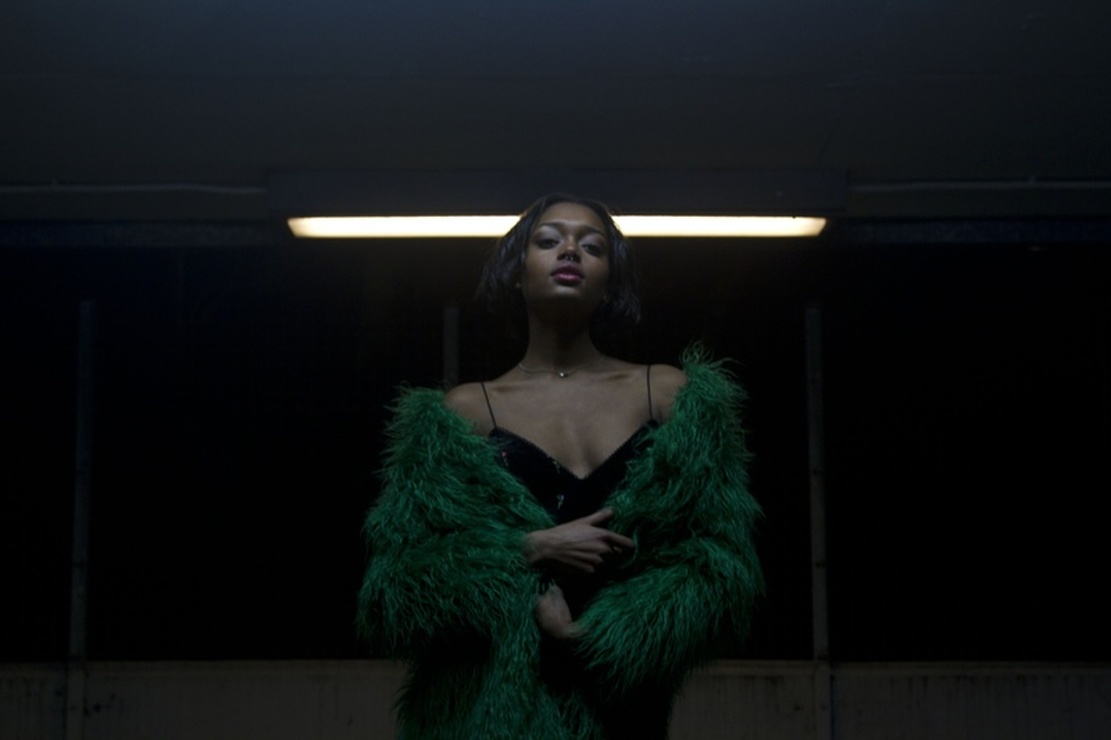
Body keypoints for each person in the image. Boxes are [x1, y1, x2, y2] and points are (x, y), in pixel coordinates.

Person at [357, 194, 762, 739]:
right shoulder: (463, 414)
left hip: (617, 713)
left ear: (609, 284)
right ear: (516, 275)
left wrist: (596, 639)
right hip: (486, 718)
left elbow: (719, 569)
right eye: (548, 241)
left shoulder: (670, 396)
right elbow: (395, 590)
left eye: (592, 247)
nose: (570, 250)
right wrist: (527, 549)